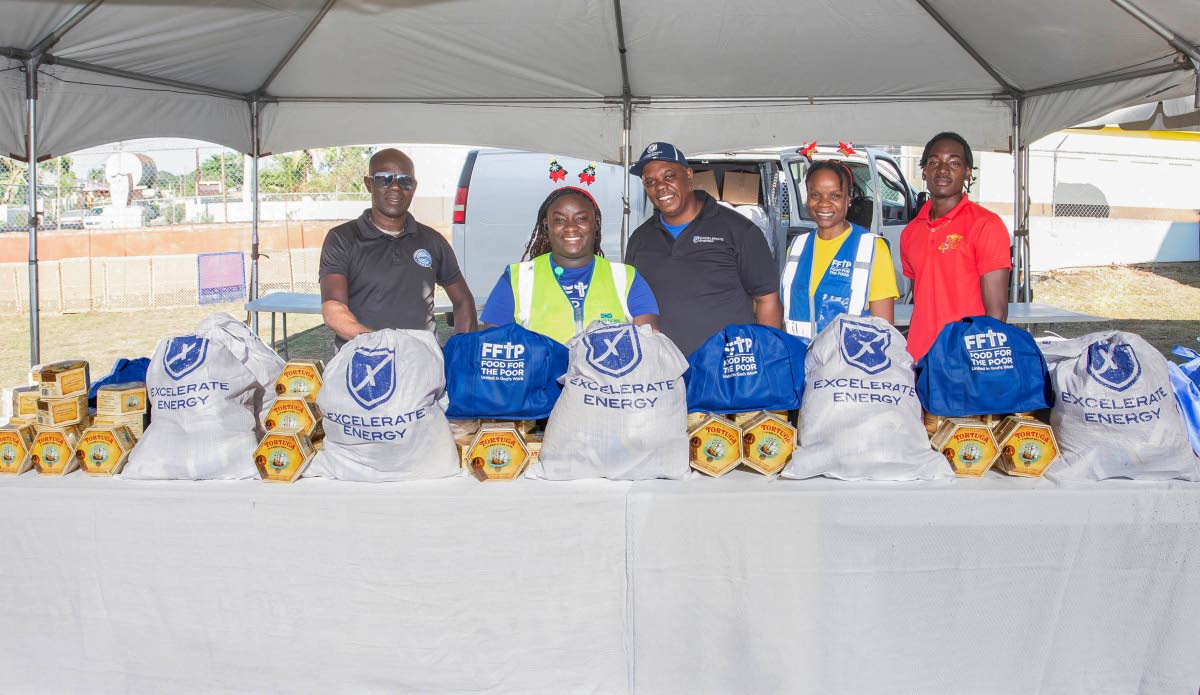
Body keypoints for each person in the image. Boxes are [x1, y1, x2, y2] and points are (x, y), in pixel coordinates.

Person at [624, 142, 782, 356]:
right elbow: (634, 304)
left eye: (669, 176)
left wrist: (766, 361)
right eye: (650, 181)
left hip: (726, 374)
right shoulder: (640, 239)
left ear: (689, 175)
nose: (660, 186)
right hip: (663, 374)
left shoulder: (739, 230)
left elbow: (767, 300)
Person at [319, 148, 477, 347]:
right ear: (369, 184)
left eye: (405, 180)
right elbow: (333, 308)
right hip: (363, 359)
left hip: (421, 362)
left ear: (413, 187)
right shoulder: (342, 238)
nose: (395, 187)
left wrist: (461, 355)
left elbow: (463, 300)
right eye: (384, 178)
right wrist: (377, 343)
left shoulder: (432, 241)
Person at [479, 186, 658, 344]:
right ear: (546, 225)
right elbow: (493, 349)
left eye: (580, 219)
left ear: (595, 223)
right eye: (559, 220)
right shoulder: (517, 278)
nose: (570, 227)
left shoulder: (626, 278)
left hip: (609, 381)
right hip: (540, 383)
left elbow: (648, 346)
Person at [900, 132, 1011, 361]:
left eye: (954, 163)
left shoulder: (986, 225)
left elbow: (997, 314)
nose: (942, 169)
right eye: (934, 162)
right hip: (921, 359)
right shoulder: (910, 232)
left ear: (967, 171)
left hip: (967, 360)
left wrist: (979, 364)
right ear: (924, 170)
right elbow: (922, 301)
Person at [781, 160, 899, 340]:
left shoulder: (872, 248)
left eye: (835, 196)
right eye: (815, 195)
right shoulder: (797, 247)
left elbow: (884, 329)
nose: (824, 203)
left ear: (848, 199)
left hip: (847, 365)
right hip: (798, 362)